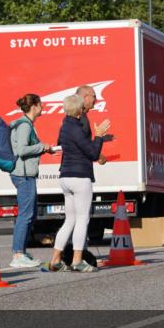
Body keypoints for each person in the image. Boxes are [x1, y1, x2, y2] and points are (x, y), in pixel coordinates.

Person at [48, 94, 110, 272]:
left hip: (65, 176)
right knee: (82, 219)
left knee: (70, 220)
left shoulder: (65, 126)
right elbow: (91, 153)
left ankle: (55, 260)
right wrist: (98, 136)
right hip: (80, 176)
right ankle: (77, 260)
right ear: (80, 110)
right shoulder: (77, 128)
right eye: (83, 108)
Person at [9, 93, 54, 268]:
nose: (42, 107)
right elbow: (21, 150)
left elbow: (28, 148)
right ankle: (18, 254)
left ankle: (21, 251)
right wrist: (42, 146)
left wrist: (44, 149)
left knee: (31, 213)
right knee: (25, 215)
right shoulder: (25, 126)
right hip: (23, 175)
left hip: (27, 174)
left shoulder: (27, 125)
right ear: (34, 106)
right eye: (41, 104)